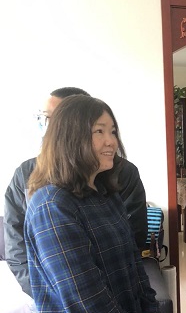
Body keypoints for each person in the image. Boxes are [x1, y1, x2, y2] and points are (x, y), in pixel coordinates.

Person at [24, 95, 171, 313]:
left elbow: (133, 261)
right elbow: (85, 297)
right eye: (99, 131)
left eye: (113, 131)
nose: (111, 141)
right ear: (71, 137)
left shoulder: (105, 193)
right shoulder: (52, 205)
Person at [4, 87, 148, 297]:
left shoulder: (113, 177)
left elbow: (132, 240)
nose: (51, 127)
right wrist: (45, 293)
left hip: (111, 292)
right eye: (45, 118)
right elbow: (15, 242)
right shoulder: (36, 185)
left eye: (57, 118)